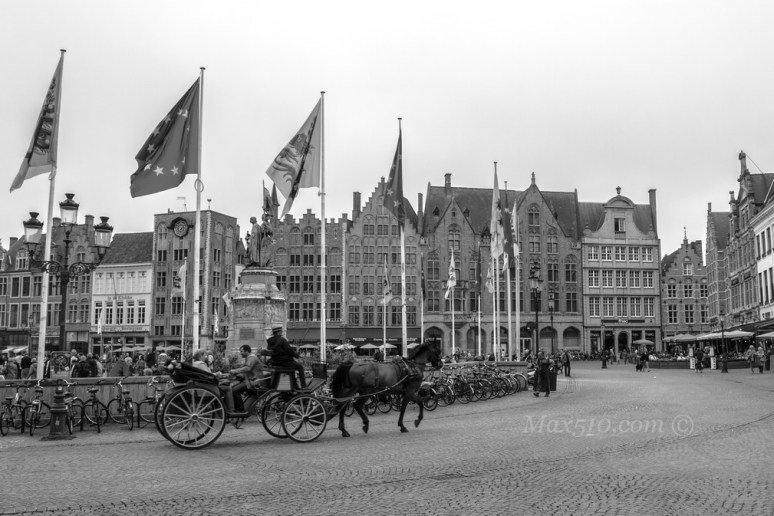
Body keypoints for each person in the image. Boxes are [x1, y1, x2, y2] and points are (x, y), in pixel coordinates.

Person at [230, 344, 266, 414]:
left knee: (235, 390)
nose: (240, 353)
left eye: (242, 351)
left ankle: (240, 410)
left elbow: (247, 368)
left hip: (254, 382)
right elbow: (248, 371)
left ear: (247, 351)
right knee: (233, 388)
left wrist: (235, 371)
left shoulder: (252, 358)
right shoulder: (249, 358)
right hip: (250, 381)